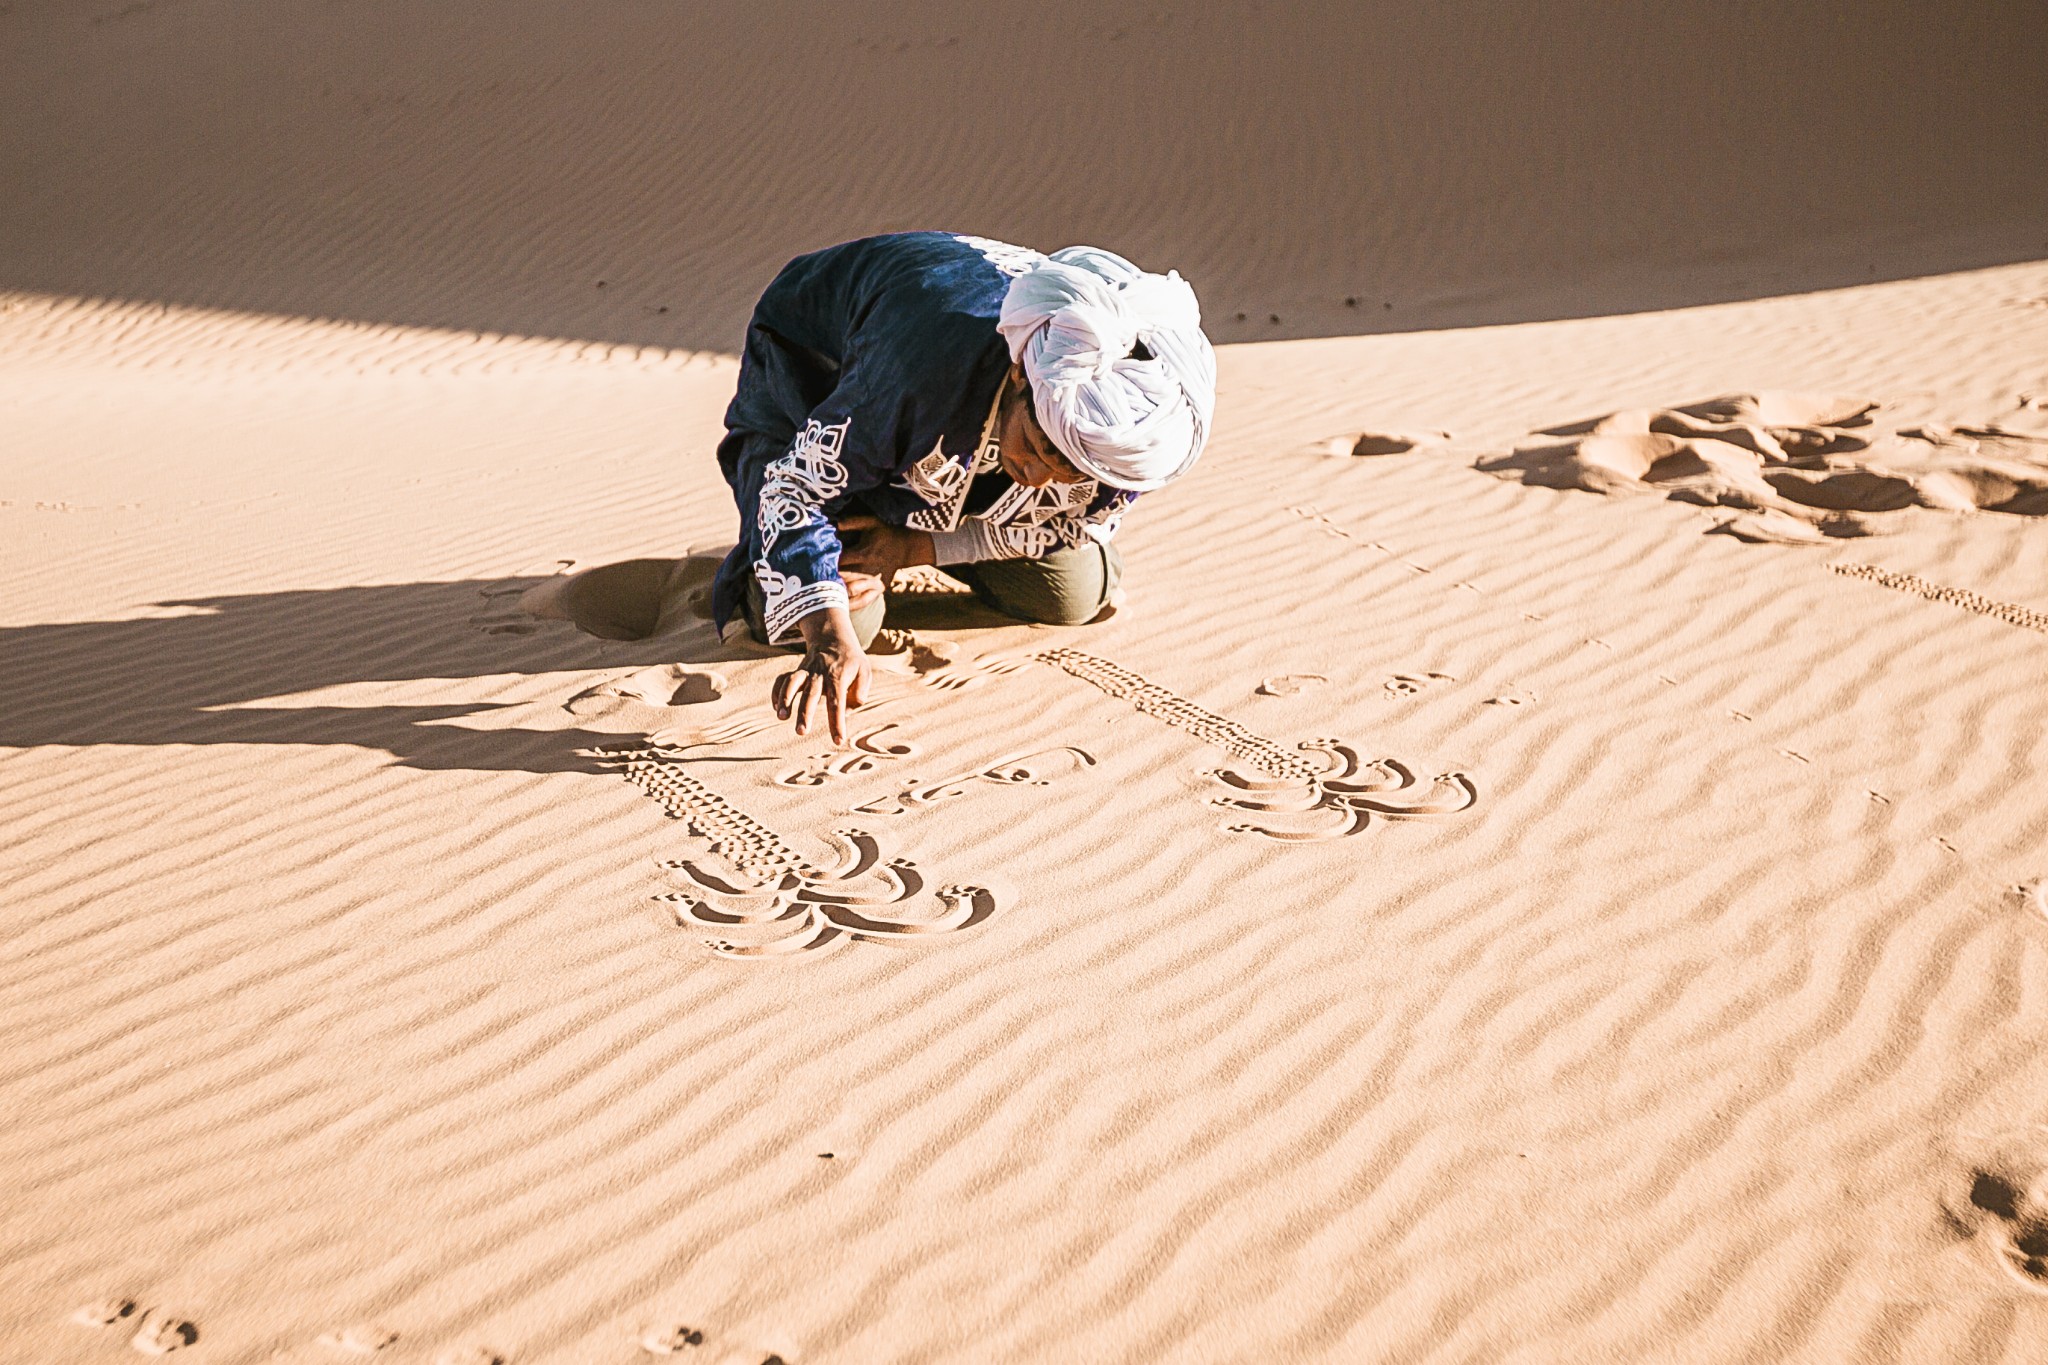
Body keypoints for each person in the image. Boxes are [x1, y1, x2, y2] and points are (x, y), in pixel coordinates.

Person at [711, 232, 1216, 743]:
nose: (1042, 481)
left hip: (940, 425)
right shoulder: (912, 373)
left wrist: (912, 548)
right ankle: (781, 571)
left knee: (1072, 593)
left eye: (1073, 474)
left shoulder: (1126, 428)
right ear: (1020, 376)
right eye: (1041, 451)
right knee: (842, 629)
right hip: (824, 385)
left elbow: (1072, 523)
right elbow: (795, 490)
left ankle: (897, 534)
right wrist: (825, 630)